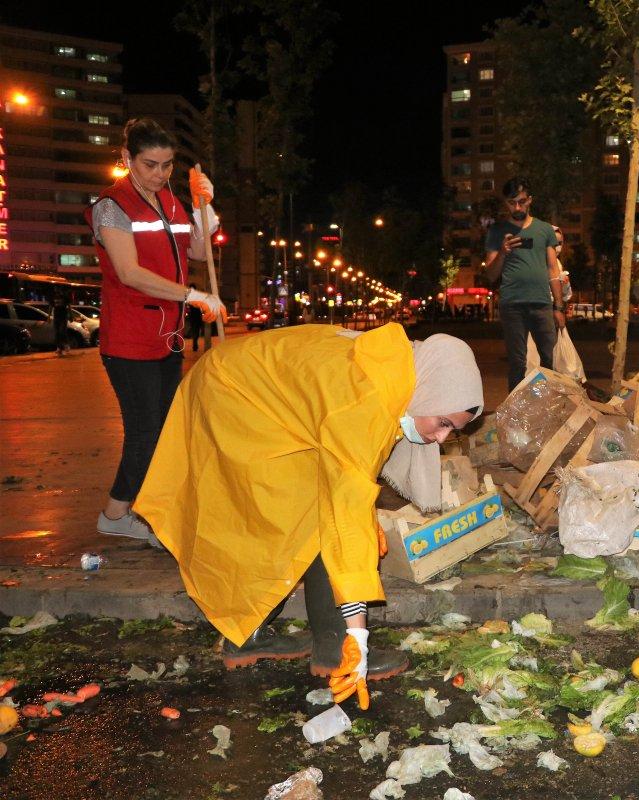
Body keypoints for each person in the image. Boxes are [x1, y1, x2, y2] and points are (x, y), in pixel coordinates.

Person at [134, 324, 484, 708]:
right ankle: (332, 647)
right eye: (443, 423)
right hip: (233, 398)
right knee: (295, 514)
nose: (440, 439)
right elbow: (343, 514)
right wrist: (359, 640)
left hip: (249, 389)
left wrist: (359, 512)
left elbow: (349, 469)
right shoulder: (365, 400)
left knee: (306, 508)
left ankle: (251, 634)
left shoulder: (400, 369)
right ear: (428, 391)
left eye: (452, 429)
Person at [85, 118, 226, 543]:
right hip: (128, 338)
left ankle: (145, 510)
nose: (160, 174)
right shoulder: (112, 206)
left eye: (167, 165)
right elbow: (129, 272)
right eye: (150, 164)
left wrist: (206, 216)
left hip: (166, 337)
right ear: (127, 158)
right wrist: (192, 296)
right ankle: (115, 514)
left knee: (165, 430)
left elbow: (197, 252)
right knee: (145, 433)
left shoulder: (169, 200)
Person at [484, 177, 566, 390]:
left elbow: (552, 269)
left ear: (530, 200)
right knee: (517, 363)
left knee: (549, 361)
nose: (517, 207)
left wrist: (558, 306)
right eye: (512, 203)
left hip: (541, 303)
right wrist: (503, 251)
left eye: (521, 201)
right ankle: (516, 416)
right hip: (512, 305)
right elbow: (491, 274)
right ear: (506, 203)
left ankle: (547, 408)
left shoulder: (545, 230)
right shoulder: (497, 231)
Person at [185, 283, 205, 352]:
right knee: (195, 330)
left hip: (194, 315)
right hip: (195, 315)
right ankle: (195, 344)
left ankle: (195, 343)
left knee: (195, 330)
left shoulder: (189, 296)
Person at [52, 288, 71, 356]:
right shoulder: (53, 297)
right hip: (56, 317)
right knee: (57, 333)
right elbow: (51, 307)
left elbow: (69, 306)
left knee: (62, 331)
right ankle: (59, 348)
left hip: (63, 316)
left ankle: (66, 344)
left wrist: (71, 315)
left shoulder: (65, 297)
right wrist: (48, 317)